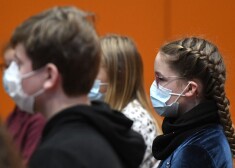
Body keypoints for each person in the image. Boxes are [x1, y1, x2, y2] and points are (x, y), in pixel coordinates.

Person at [5, 6, 146, 168]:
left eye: (18, 63)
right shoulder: (106, 133)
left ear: (50, 75)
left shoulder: (56, 155)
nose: (12, 74)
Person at [150, 37, 234, 167]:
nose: (154, 85)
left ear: (190, 88)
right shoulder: (189, 134)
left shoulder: (197, 150)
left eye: (161, 79)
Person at [89, 34, 161, 168]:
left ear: (118, 75)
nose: (87, 76)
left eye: (94, 69)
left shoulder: (135, 121)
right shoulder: (111, 116)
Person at [2, 44, 45, 165]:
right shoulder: (13, 115)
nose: (9, 72)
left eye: (17, 64)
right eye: (7, 65)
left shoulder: (38, 118)